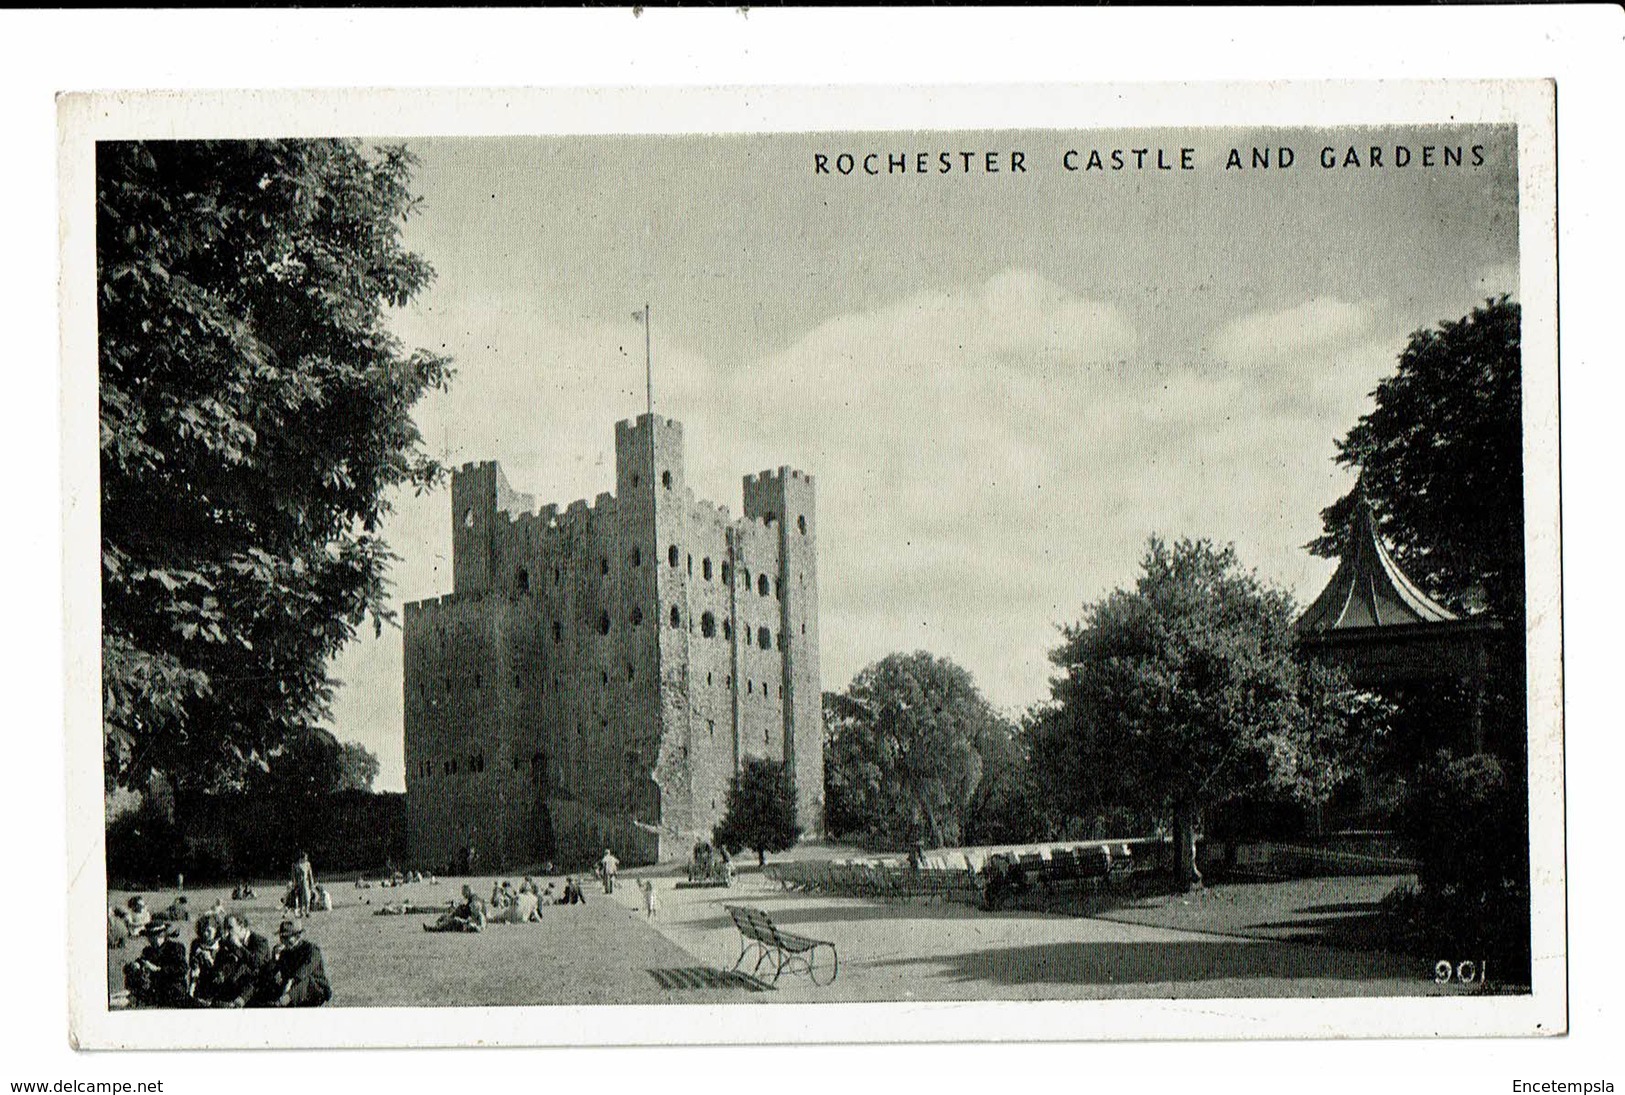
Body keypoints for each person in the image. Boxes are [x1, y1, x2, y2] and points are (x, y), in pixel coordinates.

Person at [214, 913, 275, 1008]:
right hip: (236, 986)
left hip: (256, 988)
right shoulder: (229, 942)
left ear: (241, 926)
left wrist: (239, 946)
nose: (227, 932)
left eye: (230, 928)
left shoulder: (260, 941)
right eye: (225, 928)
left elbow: (256, 963)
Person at [123, 922, 188, 1008]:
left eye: (158, 936)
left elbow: (183, 968)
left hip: (173, 987)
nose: (155, 939)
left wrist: (158, 969)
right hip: (156, 988)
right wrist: (136, 965)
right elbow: (137, 963)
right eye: (151, 937)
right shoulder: (148, 951)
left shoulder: (175, 948)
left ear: (164, 935)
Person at [268, 920, 331, 1007]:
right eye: (281, 938)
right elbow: (273, 973)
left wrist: (291, 981)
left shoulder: (311, 949)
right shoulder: (284, 952)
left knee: (305, 980)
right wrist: (275, 959)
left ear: (296, 937)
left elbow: (305, 970)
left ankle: (284, 1001)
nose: (283, 941)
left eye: (286, 938)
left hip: (315, 988)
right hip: (293, 989)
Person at [188, 917, 224, 1004]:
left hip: (218, 979)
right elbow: (194, 966)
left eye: (208, 931)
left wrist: (209, 959)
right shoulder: (196, 944)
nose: (205, 934)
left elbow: (221, 971)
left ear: (216, 930)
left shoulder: (222, 944)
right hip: (201, 980)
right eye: (203, 930)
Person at [291, 851, 316, 918]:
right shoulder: (295, 865)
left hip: (306, 883)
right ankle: (301, 912)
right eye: (305, 857)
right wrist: (294, 884)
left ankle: (307, 911)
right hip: (299, 884)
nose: (306, 858)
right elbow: (293, 876)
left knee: (307, 897)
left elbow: (310, 874)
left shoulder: (307, 864)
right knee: (300, 898)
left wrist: (312, 883)